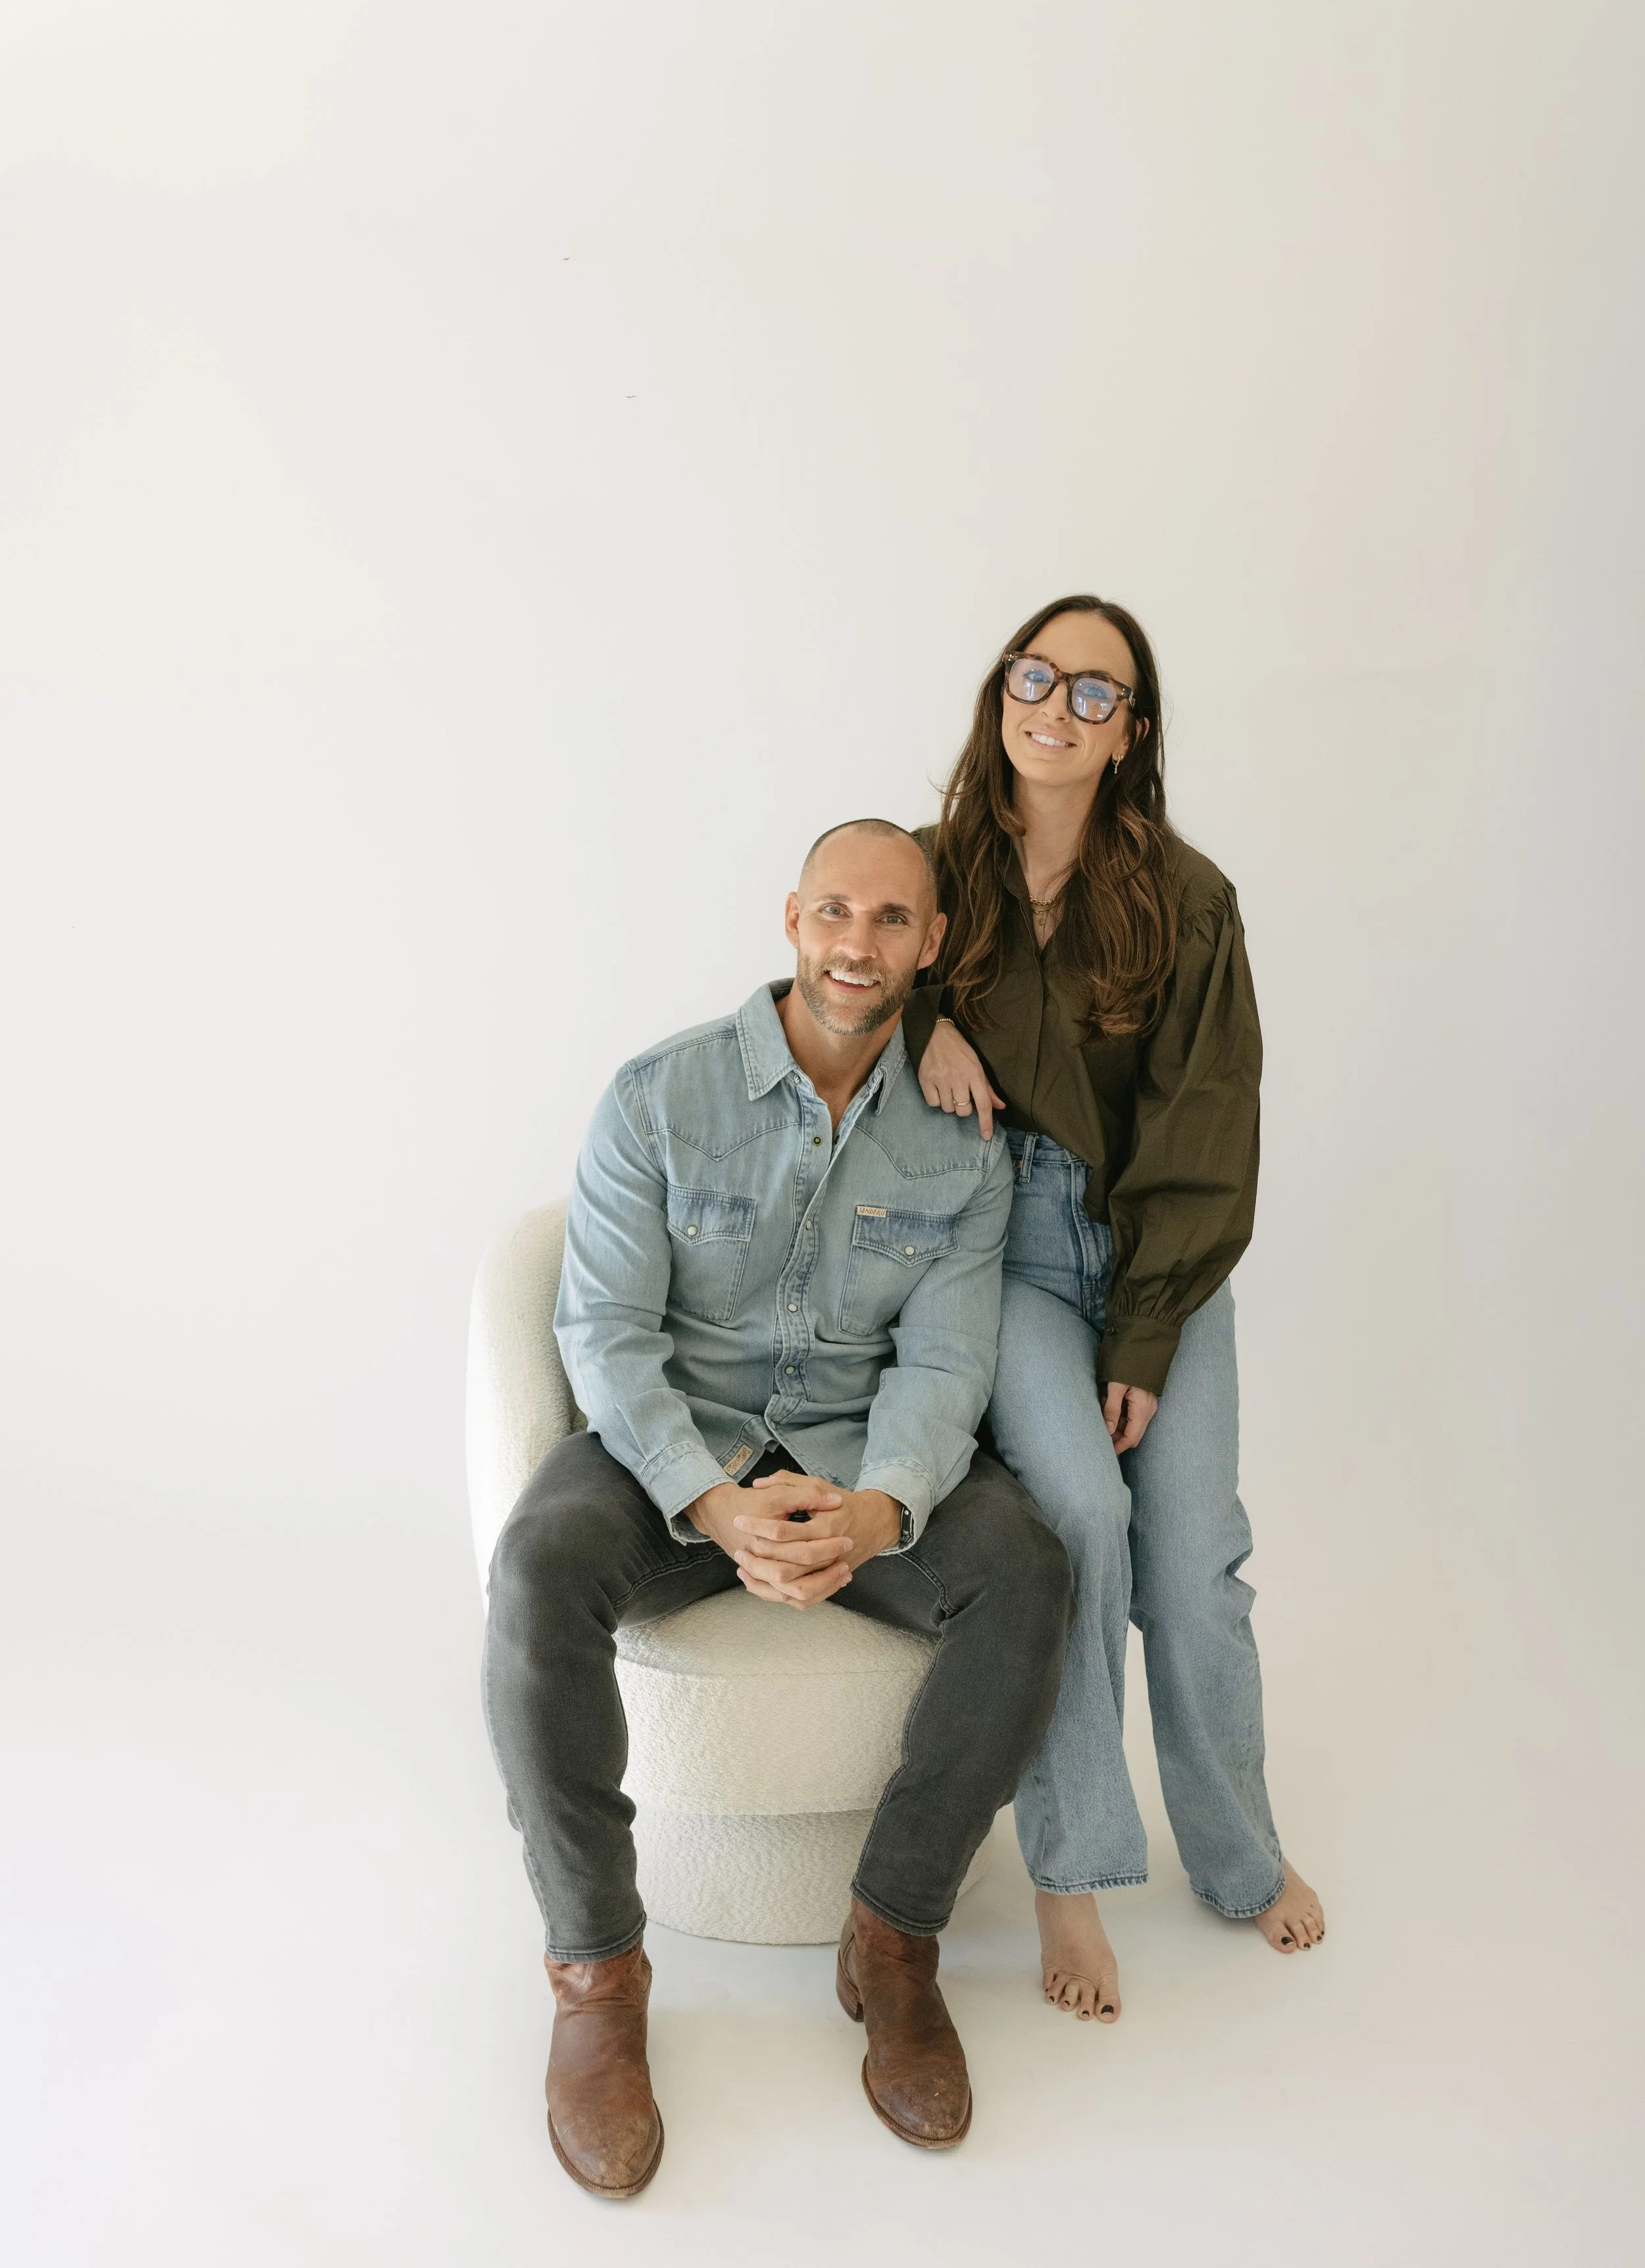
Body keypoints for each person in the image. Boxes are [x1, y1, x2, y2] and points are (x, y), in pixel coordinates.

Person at [483, 820, 1073, 2196]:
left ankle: (894, 1939)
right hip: (672, 1448)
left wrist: (879, 1509)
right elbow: (606, 1331)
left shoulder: (961, 1137)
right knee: (536, 1568)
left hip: (853, 1456)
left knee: (1028, 1569)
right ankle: (595, 1973)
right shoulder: (659, 1095)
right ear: (793, 917)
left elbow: (945, 1361)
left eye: (891, 920)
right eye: (835, 912)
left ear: (930, 942)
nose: (857, 945)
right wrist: (706, 1498)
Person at [905, 594, 1325, 2027]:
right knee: (1081, 1519)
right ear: (1002, 692)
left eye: (1096, 691)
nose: (1059, 706)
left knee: (1192, 1562)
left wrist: (1146, 1329)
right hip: (1007, 1253)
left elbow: (1211, 1118)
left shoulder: (1185, 897)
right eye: (1038, 676)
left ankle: (1237, 1851)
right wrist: (928, 1021)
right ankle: (1072, 1871)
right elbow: (838, 976)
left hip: (1161, 1250)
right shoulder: (933, 871)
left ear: (1129, 731)